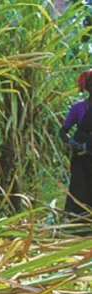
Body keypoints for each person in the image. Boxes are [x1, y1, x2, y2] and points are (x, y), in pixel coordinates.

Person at [60, 69, 92, 218]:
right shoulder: (78, 107)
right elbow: (63, 131)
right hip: (80, 156)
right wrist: (73, 143)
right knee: (79, 186)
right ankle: (77, 222)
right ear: (87, 87)